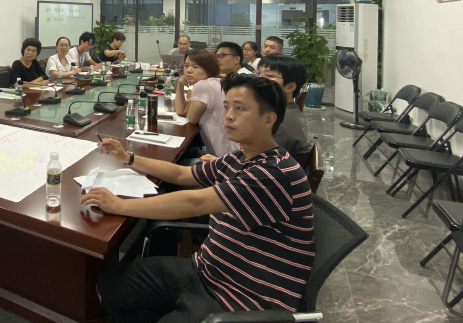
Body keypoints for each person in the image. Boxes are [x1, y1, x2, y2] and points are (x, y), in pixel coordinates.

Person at [84, 75, 314, 322]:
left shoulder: (274, 173)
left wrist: (120, 205)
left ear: (269, 118)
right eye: (226, 106)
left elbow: (194, 203)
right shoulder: (241, 158)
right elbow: (182, 174)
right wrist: (127, 158)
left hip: (243, 297)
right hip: (209, 269)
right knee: (111, 285)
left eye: (240, 108)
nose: (228, 116)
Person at [175, 49, 239, 157]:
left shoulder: (203, 85)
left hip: (225, 157)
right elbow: (181, 110)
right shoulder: (213, 83)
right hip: (231, 152)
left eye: (195, 67)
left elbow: (192, 118)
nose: (189, 70)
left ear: (208, 69)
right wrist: (180, 85)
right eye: (186, 66)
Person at [257, 54, 314, 167]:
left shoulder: (279, 122)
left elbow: (259, 164)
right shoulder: (289, 110)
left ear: (290, 86)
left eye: (268, 75)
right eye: (258, 73)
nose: (259, 79)